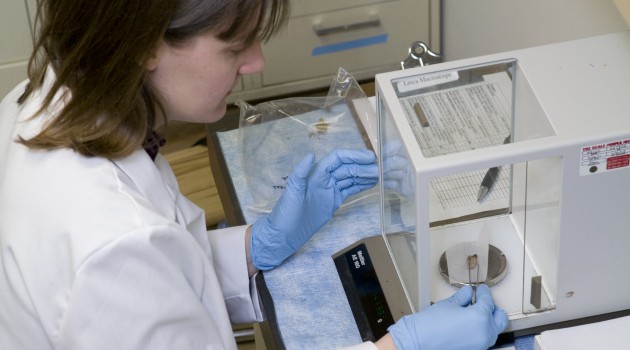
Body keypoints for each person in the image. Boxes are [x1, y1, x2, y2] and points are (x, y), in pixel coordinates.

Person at [0, 0, 508, 349]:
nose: (256, 62)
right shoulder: (114, 244)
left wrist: (255, 246)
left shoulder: (36, 99)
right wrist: (400, 345)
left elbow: (162, 280)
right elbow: (134, 269)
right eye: (235, 45)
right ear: (143, 44)